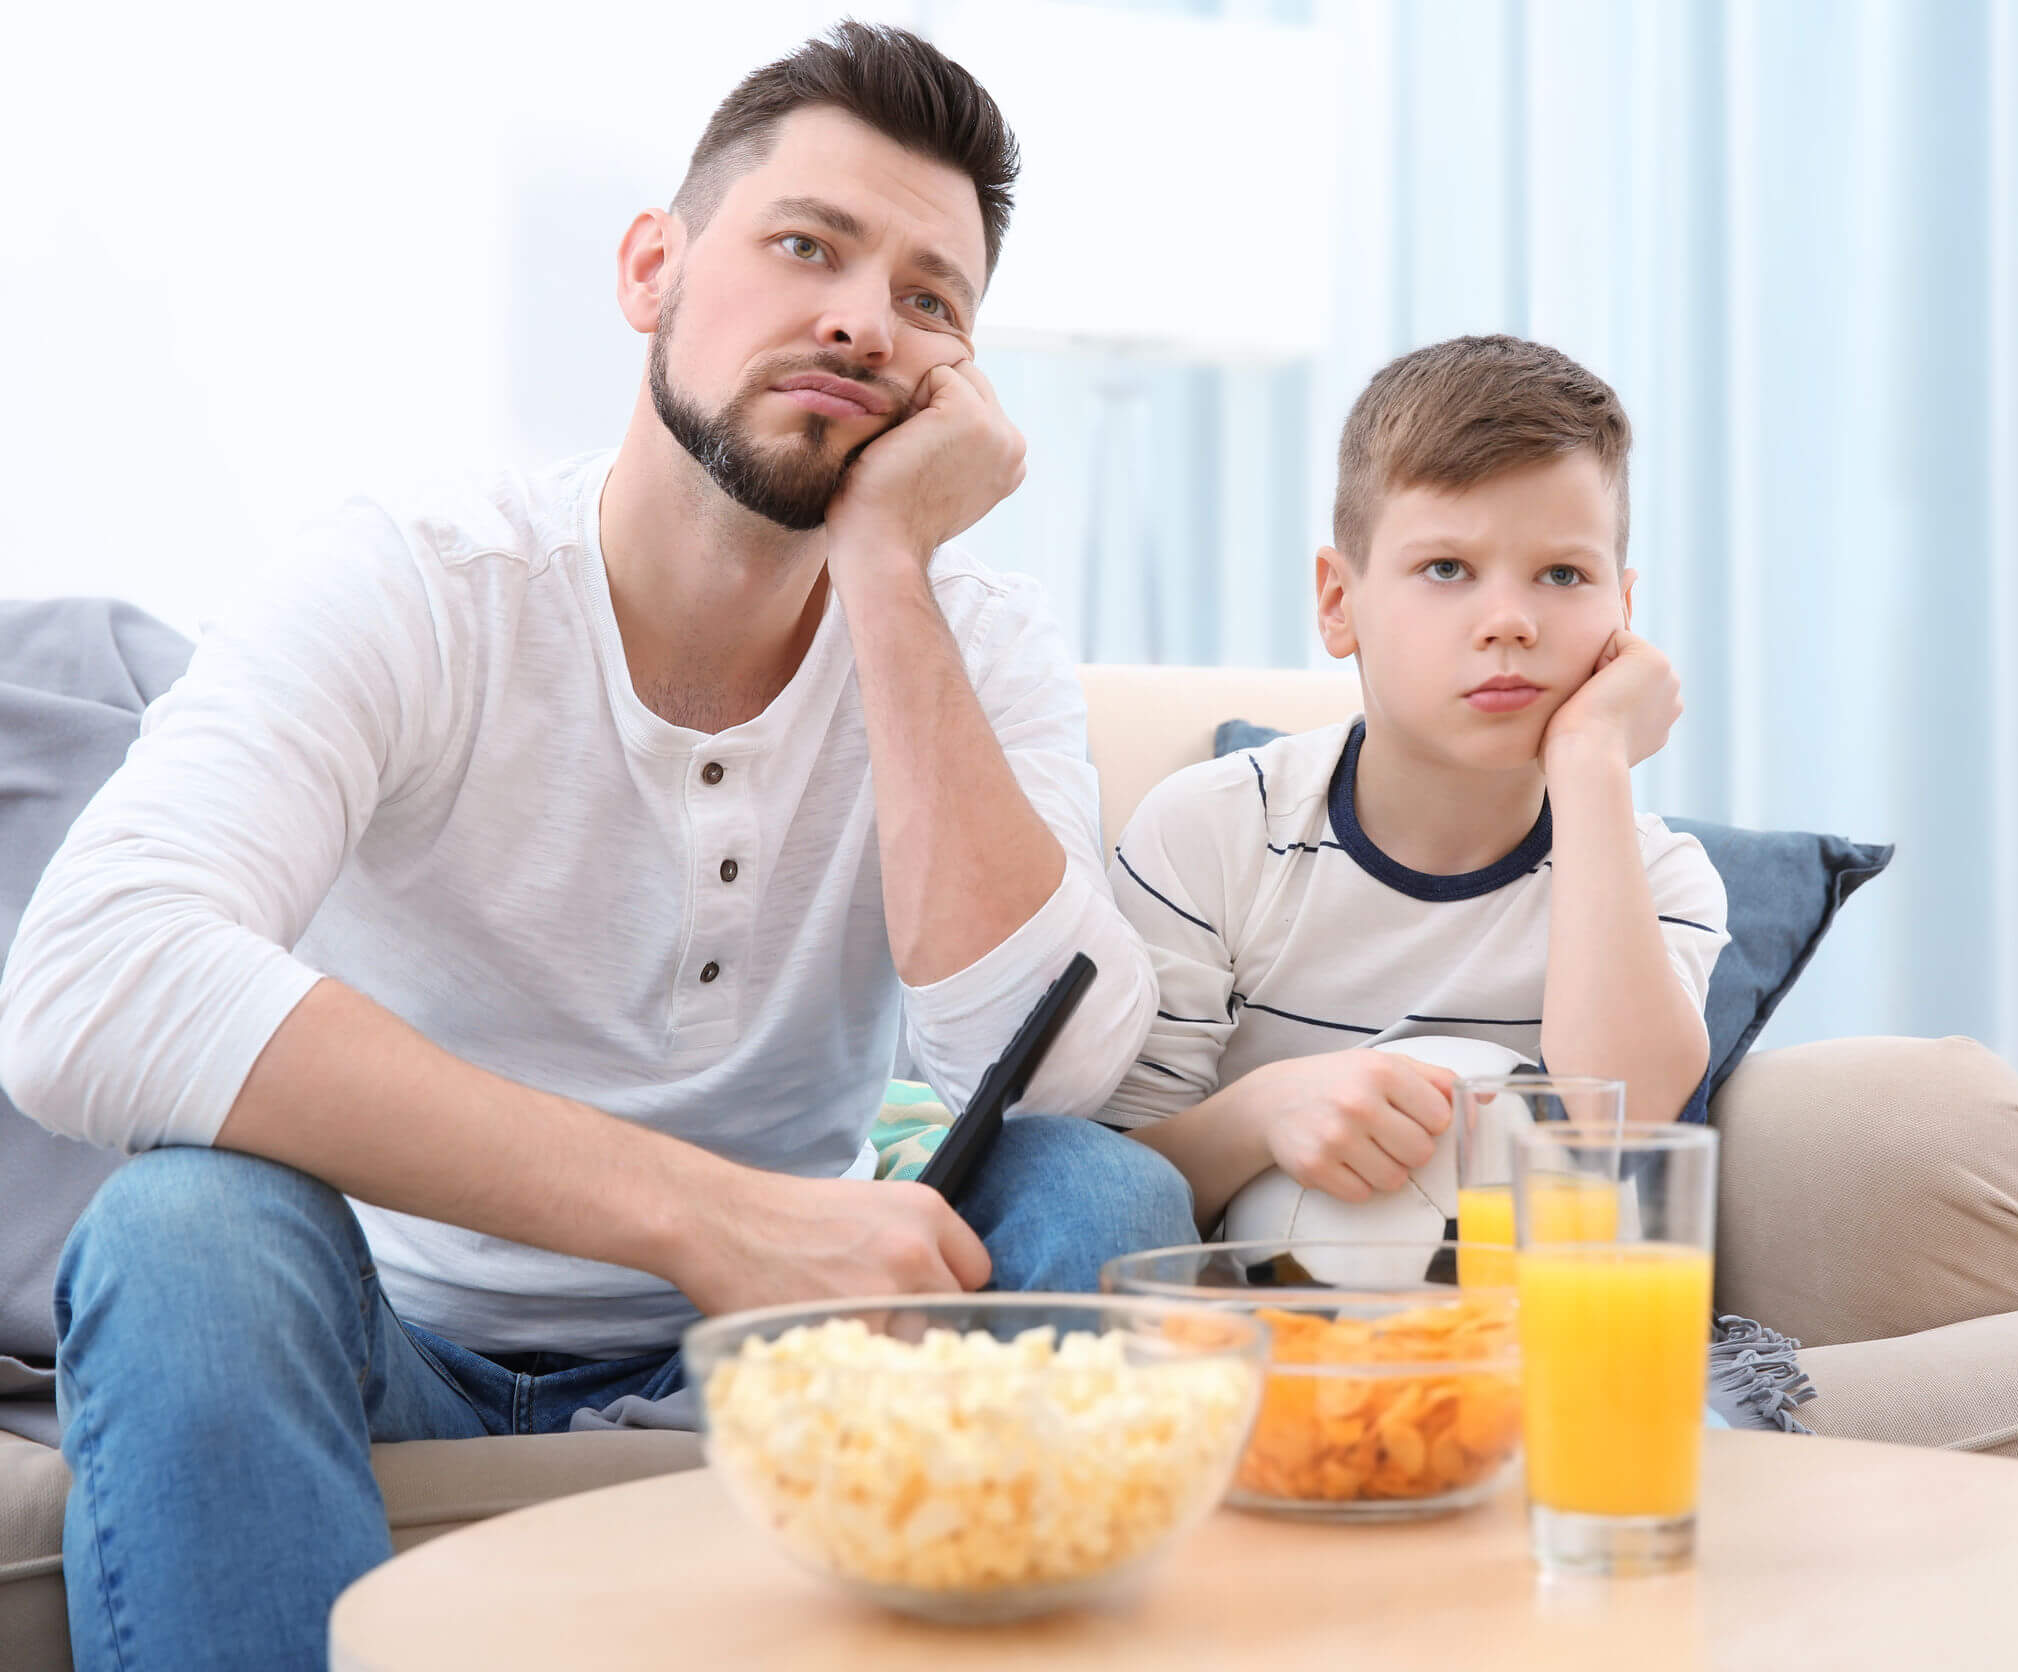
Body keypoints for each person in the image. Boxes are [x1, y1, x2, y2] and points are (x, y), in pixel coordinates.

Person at [0, 23, 1188, 1670]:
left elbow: (1043, 1068)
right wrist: (705, 1216)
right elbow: (87, 980)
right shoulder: (417, 579)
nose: (861, 314)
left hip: (787, 1354)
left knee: (1096, 1190)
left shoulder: (972, 631)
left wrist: (892, 576)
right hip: (393, 1331)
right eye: (805, 247)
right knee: (182, 1229)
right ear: (652, 269)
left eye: (930, 300)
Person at [1101, 335, 1725, 1222]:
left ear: (1622, 613)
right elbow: (1111, 1186)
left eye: (1562, 574)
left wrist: (1591, 762)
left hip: (1538, 1341)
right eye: (1446, 569)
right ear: (1337, 601)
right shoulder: (1212, 832)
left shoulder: (1659, 876)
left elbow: (1615, 1123)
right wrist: (1262, 1113)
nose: (1509, 620)